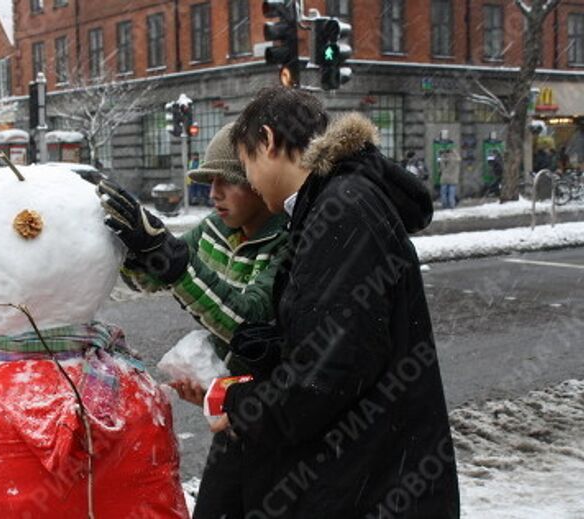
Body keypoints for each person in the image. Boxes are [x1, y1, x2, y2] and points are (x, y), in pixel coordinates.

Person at [213, 86, 459, 518]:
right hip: (376, 476)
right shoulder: (339, 201)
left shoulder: (342, 209)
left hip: (370, 487)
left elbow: (321, 381)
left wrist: (236, 406)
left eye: (246, 164)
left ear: (268, 141)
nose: (248, 180)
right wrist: (271, 345)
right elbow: (344, 338)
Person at [96, 123, 289, 519]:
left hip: (278, 417)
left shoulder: (286, 240)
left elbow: (246, 319)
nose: (213, 192)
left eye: (227, 181)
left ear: (258, 179)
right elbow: (150, 276)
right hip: (232, 412)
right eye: (209, 181)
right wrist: (133, 248)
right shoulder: (216, 228)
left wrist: (169, 260)